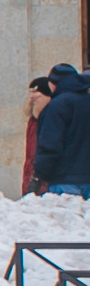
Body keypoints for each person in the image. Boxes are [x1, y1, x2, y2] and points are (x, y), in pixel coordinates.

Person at [34, 64, 90, 198]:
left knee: (65, 216)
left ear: (54, 84)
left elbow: (50, 146)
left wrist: (39, 175)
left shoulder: (57, 106)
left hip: (64, 179)